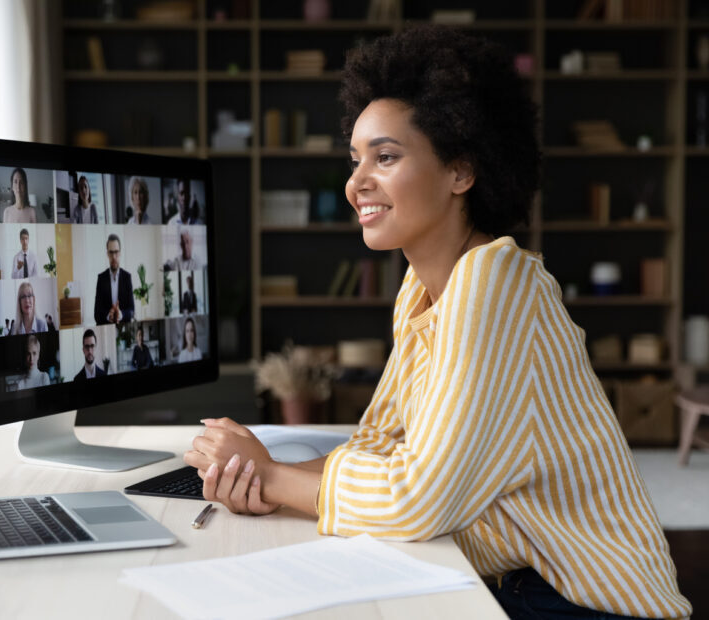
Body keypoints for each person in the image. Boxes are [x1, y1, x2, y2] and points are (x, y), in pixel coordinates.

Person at [182, 26, 691, 620]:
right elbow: (380, 445)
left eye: (386, 156)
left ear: (461, 172)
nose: (356, 183)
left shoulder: (494, 284)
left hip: (583, 602)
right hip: (516, 582)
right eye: (355, 160)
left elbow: (418, 500)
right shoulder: (424, 291)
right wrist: (253, 473)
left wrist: (271, 479)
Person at [93, 233, 135, 324]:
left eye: (116, 252)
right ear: (107, 254)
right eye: (111, 252)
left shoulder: (127, 277)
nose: (114, 256)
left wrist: (121, 314)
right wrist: (108, 316)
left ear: (120, 253)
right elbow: (96, 313)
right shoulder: (101, 278)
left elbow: (132, 310)